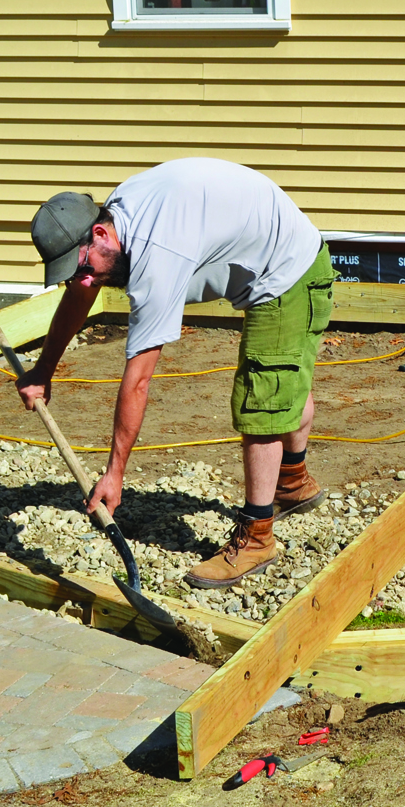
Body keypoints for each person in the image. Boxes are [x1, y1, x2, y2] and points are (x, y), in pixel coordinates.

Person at [22, 157, 334, 589]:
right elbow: (80, 294)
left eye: (85, 268)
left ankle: (258, 536)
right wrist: (43, 369)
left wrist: (114, 473)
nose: (87, 282)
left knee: (261, 400)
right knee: (282, 379)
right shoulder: (116, 218)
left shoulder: (156, 253)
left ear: (98, 233)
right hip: (284, 253)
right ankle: (293, 483)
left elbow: (139, 381)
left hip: (288, 272)